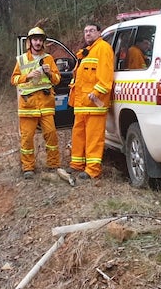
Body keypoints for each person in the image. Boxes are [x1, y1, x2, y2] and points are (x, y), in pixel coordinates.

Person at [10, 27, 62, 178]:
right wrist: (27, 76)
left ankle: (53, 165)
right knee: (27, 138)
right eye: (35, 40)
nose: (38, 42)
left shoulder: (49, 59)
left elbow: (57, 79)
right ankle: (28, 168)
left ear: (43, 42)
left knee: (51, 135)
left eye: (40, 40)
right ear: (30, 42)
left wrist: (49, 73)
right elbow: (13, 79)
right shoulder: (21, 60)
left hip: (45, 104)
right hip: (28, 105)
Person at [68, 23, 114, 180]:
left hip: (94, 103)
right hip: (81, 104)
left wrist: (95, 93)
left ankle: (92, 170)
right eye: (86, 31)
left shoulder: (103, 48)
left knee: (94, 138)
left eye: (92, 31)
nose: (88, 33)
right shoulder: (85, 52)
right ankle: (77, 164)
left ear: (99, 33)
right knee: (78, 135)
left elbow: (106, 78)